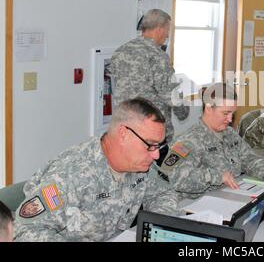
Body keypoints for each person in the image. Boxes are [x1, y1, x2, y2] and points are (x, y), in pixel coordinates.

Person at [14, 98, 180, 242]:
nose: (156, 154)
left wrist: (156, 231)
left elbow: (163, 193)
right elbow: (25, 232)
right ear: (124, 134)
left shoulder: (140, 164)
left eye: (158, 146)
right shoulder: (69, 175)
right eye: (150, 144)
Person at [160, 83, 264, 199]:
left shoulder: (229, 133)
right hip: (200, 204)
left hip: (233, 195)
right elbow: (171, 176)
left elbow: (249, 158)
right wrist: (214, 176)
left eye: (232, 113)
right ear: (208, 108)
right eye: (226, 113)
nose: (230, 119)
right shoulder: (188, 141)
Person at [110, 9, 189, 146]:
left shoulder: (120, 51)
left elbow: (114, 85)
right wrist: (183, 112)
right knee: (155, 165)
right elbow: (170, 93)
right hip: (151, 130)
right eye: (167, 30)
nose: (168, 35)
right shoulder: (158, 56)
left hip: (125, 126)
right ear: (159, 29)